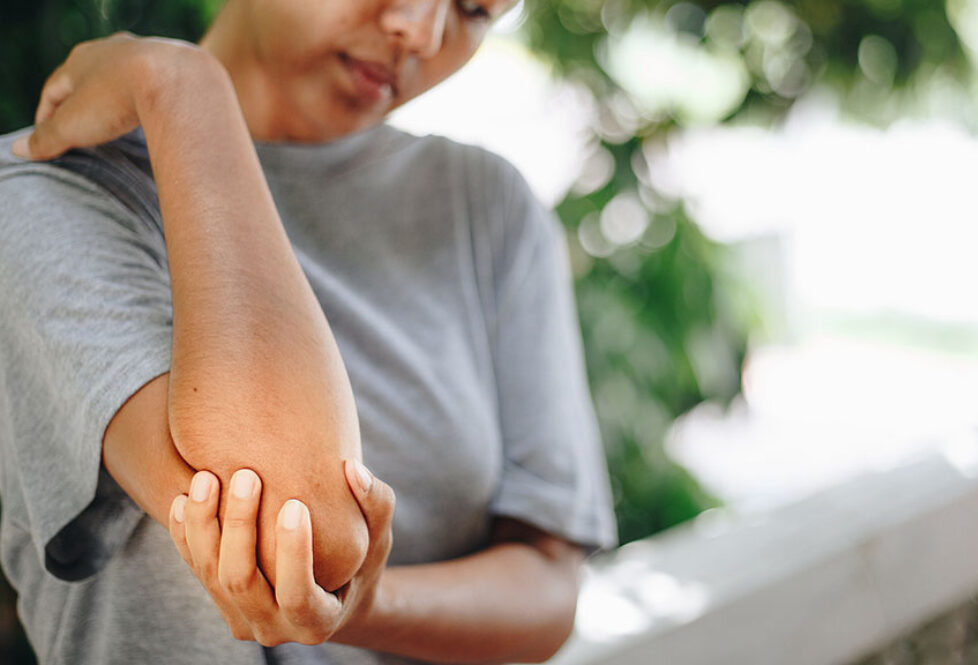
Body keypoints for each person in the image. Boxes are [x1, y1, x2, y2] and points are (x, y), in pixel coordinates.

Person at [0, 0, 616, 662]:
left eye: (474, 10)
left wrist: (370, 606)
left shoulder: (484, 208)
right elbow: (304, 525)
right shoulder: (46, 192)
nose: (423, 32)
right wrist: (182, 90)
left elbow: (550, 584)